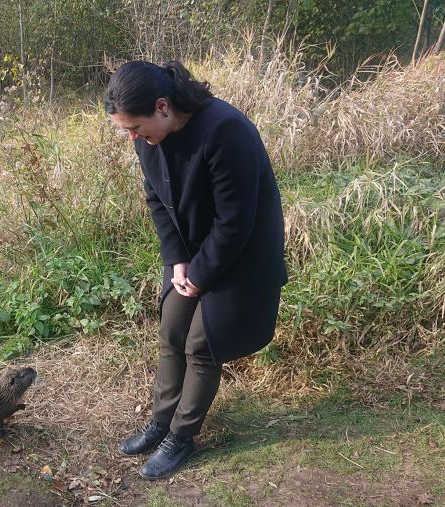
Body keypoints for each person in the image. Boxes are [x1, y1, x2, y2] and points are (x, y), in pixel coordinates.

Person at [104, 60, 288, 480]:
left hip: (243, 255)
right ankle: (160, 422)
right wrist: (178, 261)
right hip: (195, 253)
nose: (131, 137)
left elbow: (235, 222)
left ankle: (182, 437)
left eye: (134, 126)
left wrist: (200, 275)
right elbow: (157, 199)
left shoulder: (226, 130)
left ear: (163, 106)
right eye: (125, 130)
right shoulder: (148, 138)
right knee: (171, 328)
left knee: (202, 345)